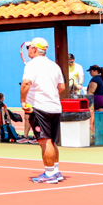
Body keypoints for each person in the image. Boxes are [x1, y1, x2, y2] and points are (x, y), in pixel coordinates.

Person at [20, 37, 66, 184]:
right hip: (55, 107)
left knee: (44, 142)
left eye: (29, 47)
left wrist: (23, 101)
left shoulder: (31, 65)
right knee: (51, 141)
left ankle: (50, 173)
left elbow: (26, 83)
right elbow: (62, 87)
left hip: (40, 108)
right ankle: (55, 171)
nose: (28, 50)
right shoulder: (54, 66)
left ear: (34, 49)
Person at [86, 65, 103, 138]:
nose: (90, 73)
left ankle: (93, 134)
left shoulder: (94, 79)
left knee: (93, 119)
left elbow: (91, 92)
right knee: (101, 119)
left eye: (91, 71)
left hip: (97, 99)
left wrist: (87, 100)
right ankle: (101, 135)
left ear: (95, 71)